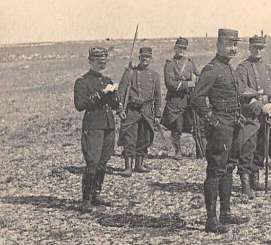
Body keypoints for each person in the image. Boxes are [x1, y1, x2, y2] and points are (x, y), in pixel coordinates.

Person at [189, 28, 249, 233]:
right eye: (228, 45)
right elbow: (196, 99)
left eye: (235, 45)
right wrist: (211, 120)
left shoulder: (228, 68)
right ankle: (211, 220)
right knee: (216, 169)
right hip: (220, 124)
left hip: (233, 123)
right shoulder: (212, 69)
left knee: (230, 166)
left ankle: (226, 213)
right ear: (218, 46)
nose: (233, 49)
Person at [73, 47, 119, 213]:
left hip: (108, 125)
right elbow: (80, 105)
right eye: (99, 62)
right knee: (92, 163)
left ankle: (96, 194)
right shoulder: (82, 82)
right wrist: (101, 93)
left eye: (104, 62)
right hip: (93, 126)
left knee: (103, 162)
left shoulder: (107, 79)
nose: (102, 65)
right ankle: (86, 199)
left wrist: (114, 95)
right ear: (90, 61)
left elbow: (114, 105)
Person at [235, 35, 271, 199]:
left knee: (262, 148)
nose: (258, 50)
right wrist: (260, 106)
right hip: (250, 117)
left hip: (266, 117)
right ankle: (245, 185)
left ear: (265, 49)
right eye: (255, 48)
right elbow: (241, 92)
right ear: (249, 48)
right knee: (248, 149)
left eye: (261, 48)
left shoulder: (267, 69)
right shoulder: (242, 68)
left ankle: (255, 180)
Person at [118, 46, 162, 176]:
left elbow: (157, 95)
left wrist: (158, 114)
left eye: (147, 57)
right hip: (132, 111)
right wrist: (120, 109)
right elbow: (121, 92)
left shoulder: (154, 75)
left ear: (151, 59)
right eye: (143, 57)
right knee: (129, 138)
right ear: (139, 57)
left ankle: (139, 164)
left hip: (147, 111)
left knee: (144, 138)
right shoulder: (130, 73)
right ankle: (128, 167)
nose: (145, 59)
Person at [162, 37, 201, 158]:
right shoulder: (170, 64)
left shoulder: (190, 62)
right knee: (176, 126)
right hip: (176, 100)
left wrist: (195, 79)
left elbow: (199, 76)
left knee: (196, 125)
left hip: (189, 99)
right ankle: (177, 150)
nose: (181, 50)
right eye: (179, 48)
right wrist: (187, 84)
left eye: (184, 48)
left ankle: (200, 151)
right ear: (175, 48)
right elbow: (169, 83)